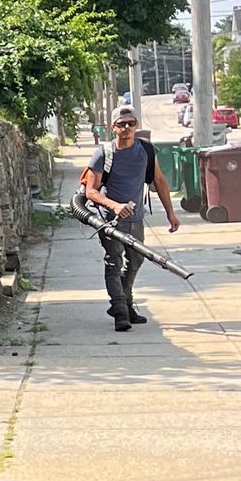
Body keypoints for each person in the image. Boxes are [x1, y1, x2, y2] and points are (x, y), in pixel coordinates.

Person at [81, 102, 180, 333]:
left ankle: (125, 302)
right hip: (109, 220)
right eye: (121, 124)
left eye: (131, 124)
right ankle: (120, 311)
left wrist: (170, 213)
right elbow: (91, 191)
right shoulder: (103, 154)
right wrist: (114, 206)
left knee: (136, 261)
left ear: (136, 126)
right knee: (114, 262)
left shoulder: (146, 150)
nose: (126, 128)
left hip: (135, 218)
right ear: (113, 127)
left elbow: (160, 181)